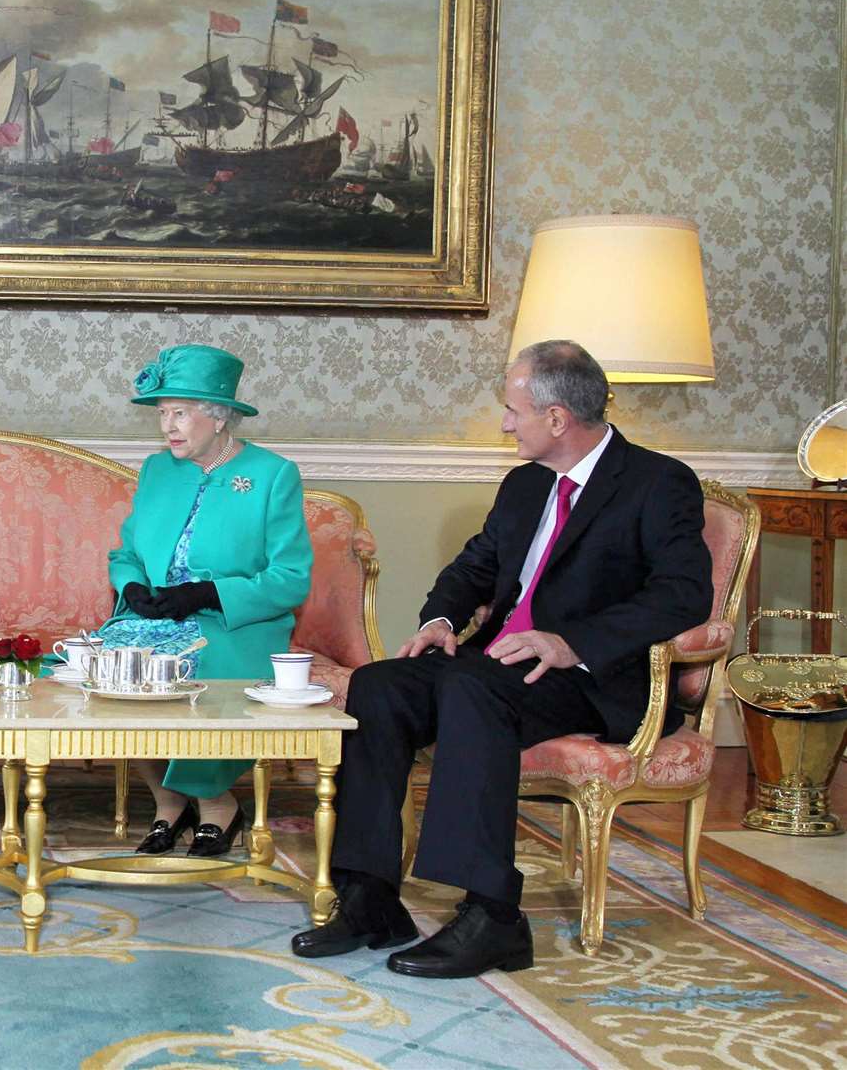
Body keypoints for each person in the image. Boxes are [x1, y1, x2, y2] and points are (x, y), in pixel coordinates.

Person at [291, 340, 712, 978]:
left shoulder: (658, 482)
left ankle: (494, 917)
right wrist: (439, 619)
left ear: (557, 419)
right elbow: (476, 567)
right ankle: (370, 894)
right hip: (492, 665)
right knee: (379, 686)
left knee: (471, 687)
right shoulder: (523, 485)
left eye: (513, 410)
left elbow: (683, 594)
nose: (506, 423)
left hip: (584, 677)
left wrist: (572, 642)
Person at [103, 344, 312, 857]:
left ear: (219, 418)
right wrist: (131, 588)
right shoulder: (157, 470)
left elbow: (291, 578)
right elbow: (126, 551)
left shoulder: (271, 475)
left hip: (229, 624)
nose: (167, 427)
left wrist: (207, 592)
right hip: (151, 618)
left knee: (184, 665)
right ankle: (167, 801)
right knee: (109, 668)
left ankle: (217, 804)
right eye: (162, 414)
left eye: (179, 414)